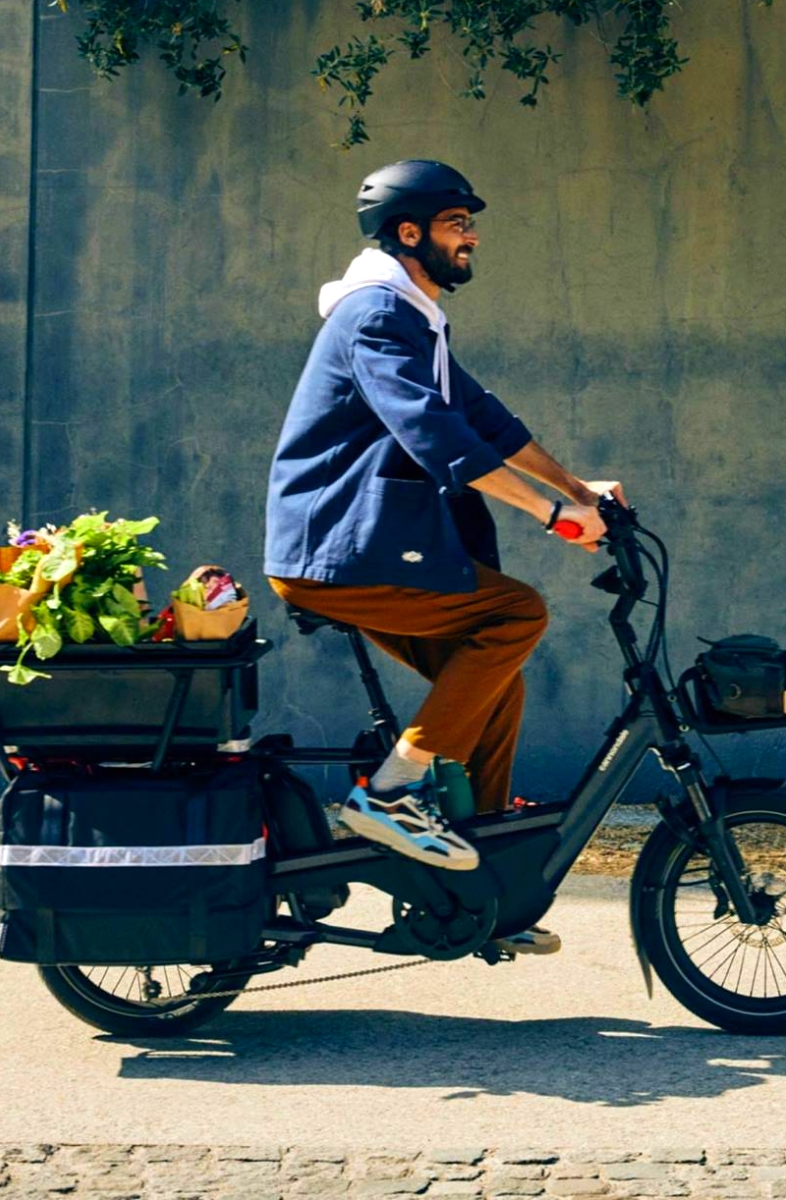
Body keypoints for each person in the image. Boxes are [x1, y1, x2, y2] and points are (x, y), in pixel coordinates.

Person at [263, 160, 623, 953]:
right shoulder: (374, 313)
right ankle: (392, 794)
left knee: (494, 682)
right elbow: (430, 431)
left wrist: (575, 489)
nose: (473, 237)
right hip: (337, 548)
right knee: (516, 613)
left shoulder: (413, 314)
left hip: (367, 546)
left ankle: (482, 884)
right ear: (409, 231)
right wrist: (546, 511)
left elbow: (482, 418)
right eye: (458, 223)